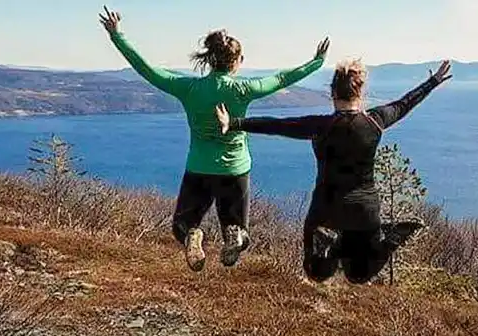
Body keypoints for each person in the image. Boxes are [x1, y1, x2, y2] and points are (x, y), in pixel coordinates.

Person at [99, 6, 330, 272]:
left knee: (182, 226)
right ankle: (236, 235)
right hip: (235, 169)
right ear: (237, 61)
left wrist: (118, 36)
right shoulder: (244, 89)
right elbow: (281, 78)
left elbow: (148, 70)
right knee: (237, 228)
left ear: (210, 59)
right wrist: (317, 62)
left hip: (198, 167)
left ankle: (192, 234)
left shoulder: (188, 88)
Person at [215, 59, 452, 284]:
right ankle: (390, 239)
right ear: (360, 93)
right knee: (359, 275)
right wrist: (433, 82)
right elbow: (403, 104)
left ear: (332, 93)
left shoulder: (321, 126)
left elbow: (277, 125)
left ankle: (329, 242)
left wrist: (234, 123)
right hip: (363, 213)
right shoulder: (375, 121)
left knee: (317, 273)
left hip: (325, 210)